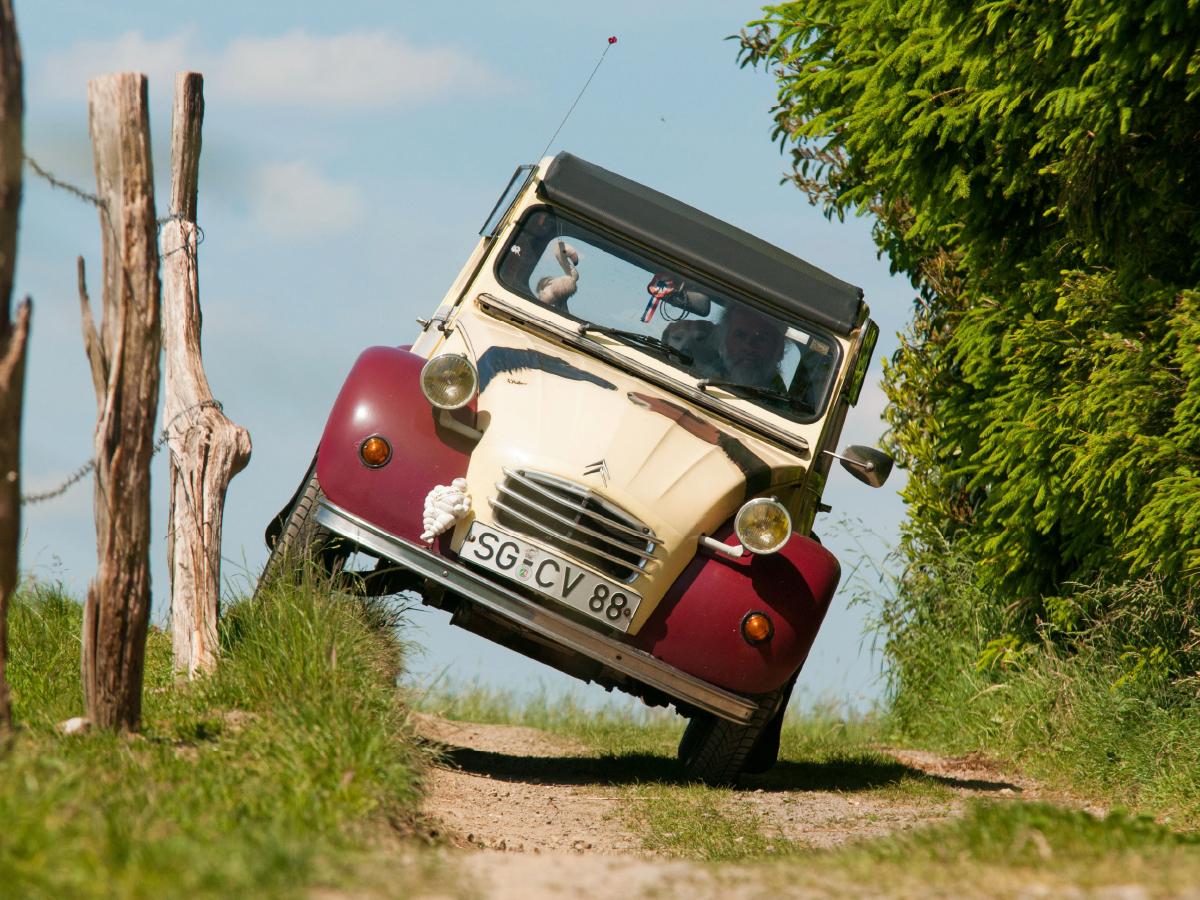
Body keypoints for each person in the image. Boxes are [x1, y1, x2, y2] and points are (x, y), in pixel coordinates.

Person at [707, 304, 788, 390]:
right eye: (740, 336)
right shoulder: (698, 376)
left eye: (761, 339)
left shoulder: (782, 400)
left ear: (779, 350)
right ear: (724, 340)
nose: (749, 348)